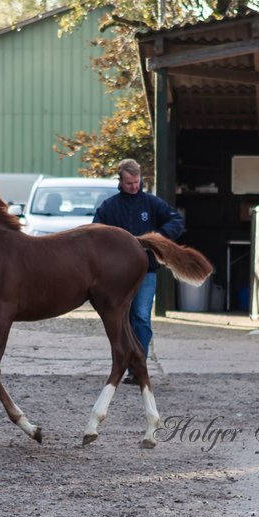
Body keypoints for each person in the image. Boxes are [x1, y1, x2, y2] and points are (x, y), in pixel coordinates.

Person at [92, 158, 185, 374]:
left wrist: (157, 238)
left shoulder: (152, 204)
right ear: (120, 181)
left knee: (141, 317)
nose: (134, 187)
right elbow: (94, 232)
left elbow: (176, 221)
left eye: (137, 182)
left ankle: (137, 367)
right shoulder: (109, 207)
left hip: (146, 271)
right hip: (116, 276)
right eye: (129, 183)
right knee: (121, 319)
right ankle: (124, 363)